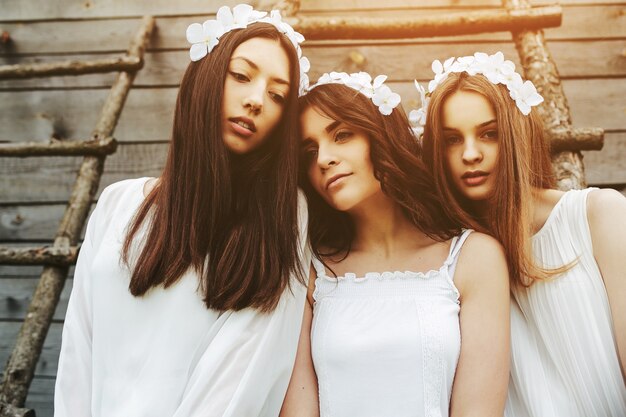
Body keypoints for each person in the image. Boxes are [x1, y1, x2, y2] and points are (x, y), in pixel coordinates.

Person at [54, 5, 312, 416]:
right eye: (242, 75)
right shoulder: (117, 204)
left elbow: (242, 375)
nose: (256, 100)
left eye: (278, 95)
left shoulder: (282, 219)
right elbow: (78, 354)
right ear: (206, 78)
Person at [281, 71, 510, 417]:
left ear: (380, 135)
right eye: (310, 151)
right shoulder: (308, 270)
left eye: (341, 136)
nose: (323, 159)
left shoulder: (472, 258)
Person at [419, 51, 626, 417]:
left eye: (489, 134)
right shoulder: (447, 257)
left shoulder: (599, 215)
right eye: (452, 139)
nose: (470, 154)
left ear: (515, 133)